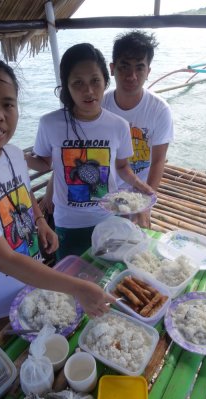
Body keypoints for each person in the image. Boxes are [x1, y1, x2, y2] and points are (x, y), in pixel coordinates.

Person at [0, 53, 114, 356]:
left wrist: (41, 222)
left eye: (7, 103)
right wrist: (78, 288)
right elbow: (4, 260)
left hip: (30, 292)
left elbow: (23, 188)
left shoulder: (12, 152)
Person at [25, 43, 153, 260]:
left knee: (109, 273)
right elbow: (45, 163)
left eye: (95, 80)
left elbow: (122, 166)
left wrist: (141, 186)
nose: (89, 91)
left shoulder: (119, 125)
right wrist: (18, 157)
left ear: (105, 80)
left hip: (109, 217)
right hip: (68, 222)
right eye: (78, 83)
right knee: (74, 276)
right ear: (66, 85)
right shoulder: (50, 123)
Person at [102, 30, 174, 228]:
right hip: (106, 190)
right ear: (112, 68)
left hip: (139, 191)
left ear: (148, 71)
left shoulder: (159, 110)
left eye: (139, 68)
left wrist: (145, 205)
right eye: (124, 67)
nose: (131, 76)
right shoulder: (101, 105)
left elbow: (158, 160)